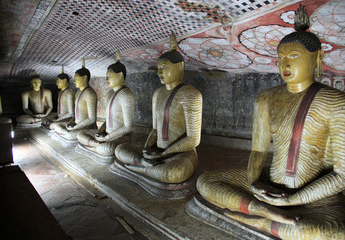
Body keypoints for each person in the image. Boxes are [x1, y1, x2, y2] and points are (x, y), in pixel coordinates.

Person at [196, 4, 345, 239]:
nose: (285, 65)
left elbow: (341, 176)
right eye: (281, 58)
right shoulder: (266, 98)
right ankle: (260, 211)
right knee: (205, 181)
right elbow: (257, 150)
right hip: (270, 185)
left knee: (333, 233)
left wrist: (294, 199)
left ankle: (260, 221)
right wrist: (255, 183)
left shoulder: (336, 102)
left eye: (294, 57)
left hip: (315, 198)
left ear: (318, 57)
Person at [115, 33, 203, 183]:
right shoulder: (158, 93)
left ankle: (141, 168)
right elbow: (155, 129)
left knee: (176, 173)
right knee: (119, 149)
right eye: (158, 68)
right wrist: (147, 148)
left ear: (180, 67)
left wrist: (164, 154)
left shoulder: (191, 94)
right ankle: (145, 165)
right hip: (156, 151)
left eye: (164, 67)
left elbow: (193, 139)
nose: (159, 73)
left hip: (180, 153)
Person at [77, 52, 135, 158]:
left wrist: (107, 138)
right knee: (80, 134)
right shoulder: (109, 94)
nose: (106, 79)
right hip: (106, 135)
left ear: (121, 76)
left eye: (109, 76)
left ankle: (95, 146)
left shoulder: (126, 94)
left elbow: (128, 127)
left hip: (121, 137)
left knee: (108, 148)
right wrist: (101, 131)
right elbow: (107, 119)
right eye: (106, 76)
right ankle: (96, 145)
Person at [51, 61, 97, 140]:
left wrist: (76, 126)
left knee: (69, 135)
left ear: (85, 78)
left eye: (76, 79)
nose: (74, 81)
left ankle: (67, 134)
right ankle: (66, 133)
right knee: (55, 126)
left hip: (86, 127)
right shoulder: (78, 92)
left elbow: (92, 119)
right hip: (77, 124)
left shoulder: (90, 93)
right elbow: (75, 113)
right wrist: (71, 123)